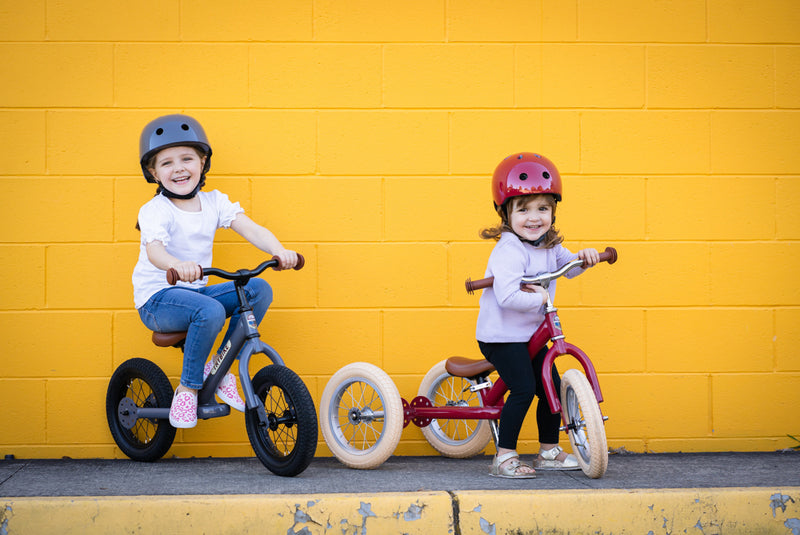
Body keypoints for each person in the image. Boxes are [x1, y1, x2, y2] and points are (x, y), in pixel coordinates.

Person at [132, 114, 298, 429]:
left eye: (186, 158)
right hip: (158, 300)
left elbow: (251, 229)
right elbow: (154, 250)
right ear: (153, 172)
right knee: (208, 310)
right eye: (166, 163)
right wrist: (175, 265)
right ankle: (189, 387)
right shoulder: (155, 210)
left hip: (195, 294)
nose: (178, 168)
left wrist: (279, 250)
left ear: (203, 162)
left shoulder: (214, 202)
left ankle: (219, 371)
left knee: (258, 289)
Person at [476, 152, 599, 478]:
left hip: (528, 335)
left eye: (543, 208)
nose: (534, 218)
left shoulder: (547, 245)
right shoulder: (508, 251)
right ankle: (504, 457)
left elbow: (568, 267)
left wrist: (585, 258)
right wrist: (541, 298)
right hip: (501, 337)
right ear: (505, 213)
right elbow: (506, 296)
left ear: (553, 212)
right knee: (523, 388)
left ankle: (549, 450)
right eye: (524, 209)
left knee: (550, 388)